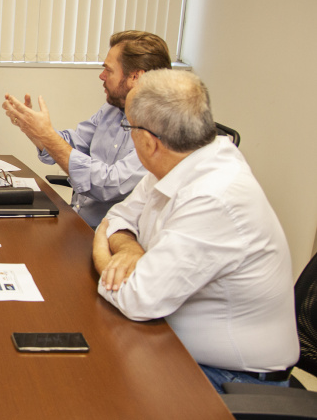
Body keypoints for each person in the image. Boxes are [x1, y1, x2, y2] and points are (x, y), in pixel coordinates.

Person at [92, 69, 298, 393]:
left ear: (148, 141)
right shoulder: (178, 161)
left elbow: (136, 298)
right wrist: (130, 250)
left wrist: (102, 252)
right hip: (168, 340)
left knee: (99, 388)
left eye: (127, 126)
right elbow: (119, 216)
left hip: (233, 380)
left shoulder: (215, 195)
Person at [2, 31, 171, 227]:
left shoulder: (163, 128)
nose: (101, 75)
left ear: (135, 76)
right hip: (77, 220)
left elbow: (109, 185)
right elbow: (72, 145)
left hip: (111, 237)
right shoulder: (111, 109)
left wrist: (46, 134)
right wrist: (32, 128)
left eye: (108, 70)